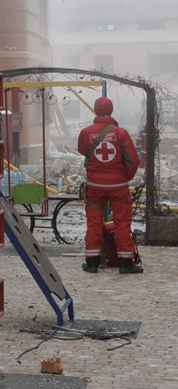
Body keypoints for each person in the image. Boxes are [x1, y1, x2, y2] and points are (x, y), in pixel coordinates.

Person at [76, 96, 142, 273]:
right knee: (122, 223)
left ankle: (92, 263)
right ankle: (126, 263)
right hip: (118, 187)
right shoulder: (121, 133)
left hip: (95, 186)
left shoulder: (85, 132)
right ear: (111, 111)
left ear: (95, 111)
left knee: (93, 223)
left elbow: (83, 151)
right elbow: (134, 160)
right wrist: (123, 177)